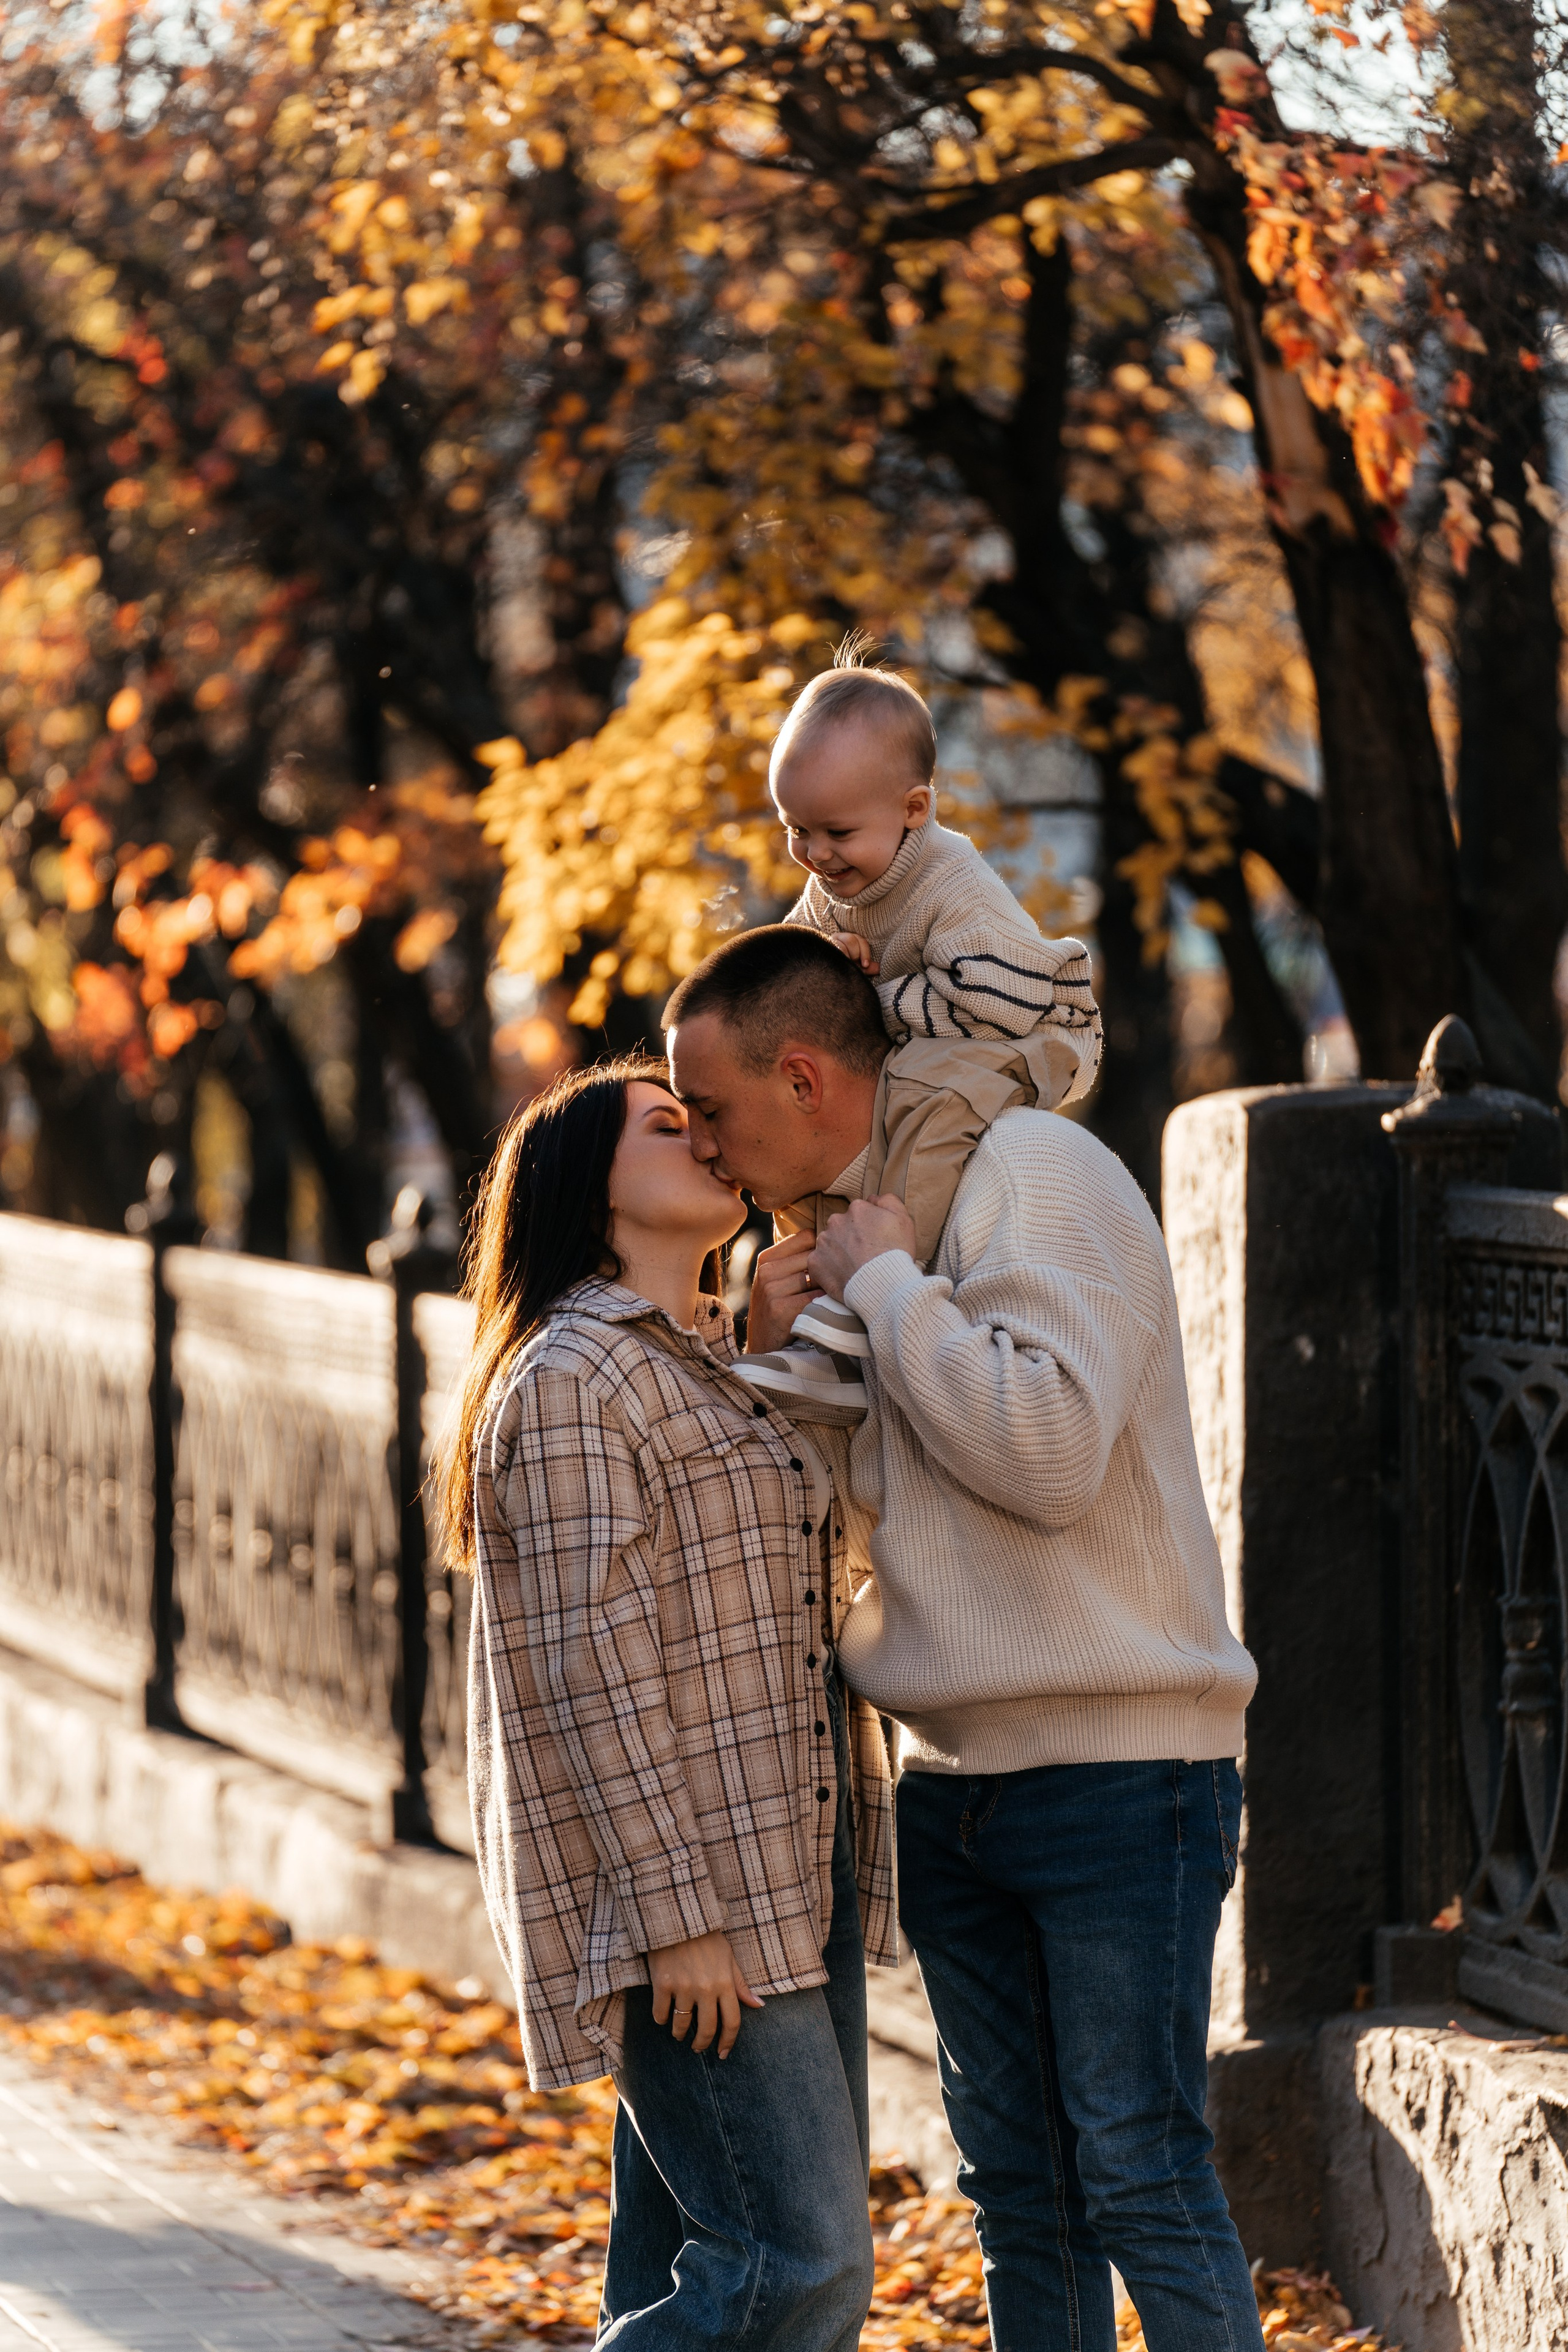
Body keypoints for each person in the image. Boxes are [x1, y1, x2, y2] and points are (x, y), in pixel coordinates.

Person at [665, 930, 1265, 2352]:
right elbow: (863, 1510)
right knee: (1017, 2194)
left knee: (1135, 2167)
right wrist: (779, 1369)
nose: (700, 1143)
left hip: (1120, 1774)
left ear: (802, 1073)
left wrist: (884, 1295)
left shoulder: (1034, 1177)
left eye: (710, 1108)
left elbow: (1046, 1455)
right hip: (950, 1784)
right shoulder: (861, 1224)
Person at [437, 1055, 897, 2351]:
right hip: (697, 1902)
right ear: (592, 1194)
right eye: (664, 1123)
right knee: (799, 2265)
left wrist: (756, 1341)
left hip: (784, 1866)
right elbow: (596, 1667)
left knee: (680, 2266)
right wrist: (675, 1920)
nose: (702, 1135)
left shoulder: (689, 1362)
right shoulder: (576, 1377)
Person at [733, 646, 1101, 1427]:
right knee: (825, 1135)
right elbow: (797, 978)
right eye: (795, 829)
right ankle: (821, 1333)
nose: (816, 854)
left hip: (1035, 1028)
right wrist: (824, 968)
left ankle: (888, 1281)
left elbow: (997, 998)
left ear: (914, 810)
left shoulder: (952, 883)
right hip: (944, 1028)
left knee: (928, 1108)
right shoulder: (833, 883)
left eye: (835, 831)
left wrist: (872, 1000)